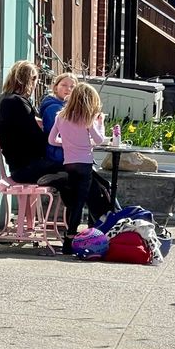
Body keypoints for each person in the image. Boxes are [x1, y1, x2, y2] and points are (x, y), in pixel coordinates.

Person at [47, 82, 107, 252]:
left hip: (69, 164)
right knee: (80, 202)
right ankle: (72, 238)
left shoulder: (60, 116)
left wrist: (67, 143)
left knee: (72, 203)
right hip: (85, 164)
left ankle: (68, 238)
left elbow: (52, 140)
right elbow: (99, 140)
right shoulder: (87, 119)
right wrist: (100, 123)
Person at [0, 61, 62, 184]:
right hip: (28, 169)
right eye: (35, 80)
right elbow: (36, 139)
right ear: (31, 80)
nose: (36, 85)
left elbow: (22, 128)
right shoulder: (18, 102)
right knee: (78, 170)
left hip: (18, 167)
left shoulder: (4, 99)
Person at [39, 73, 76, 165]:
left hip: (68, 154)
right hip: (58, 155)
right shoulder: (54, 109)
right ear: (55, 88)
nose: (68, 89)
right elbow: (59, 134)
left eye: (72, 86)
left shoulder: (70, 108)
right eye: (64, 85)